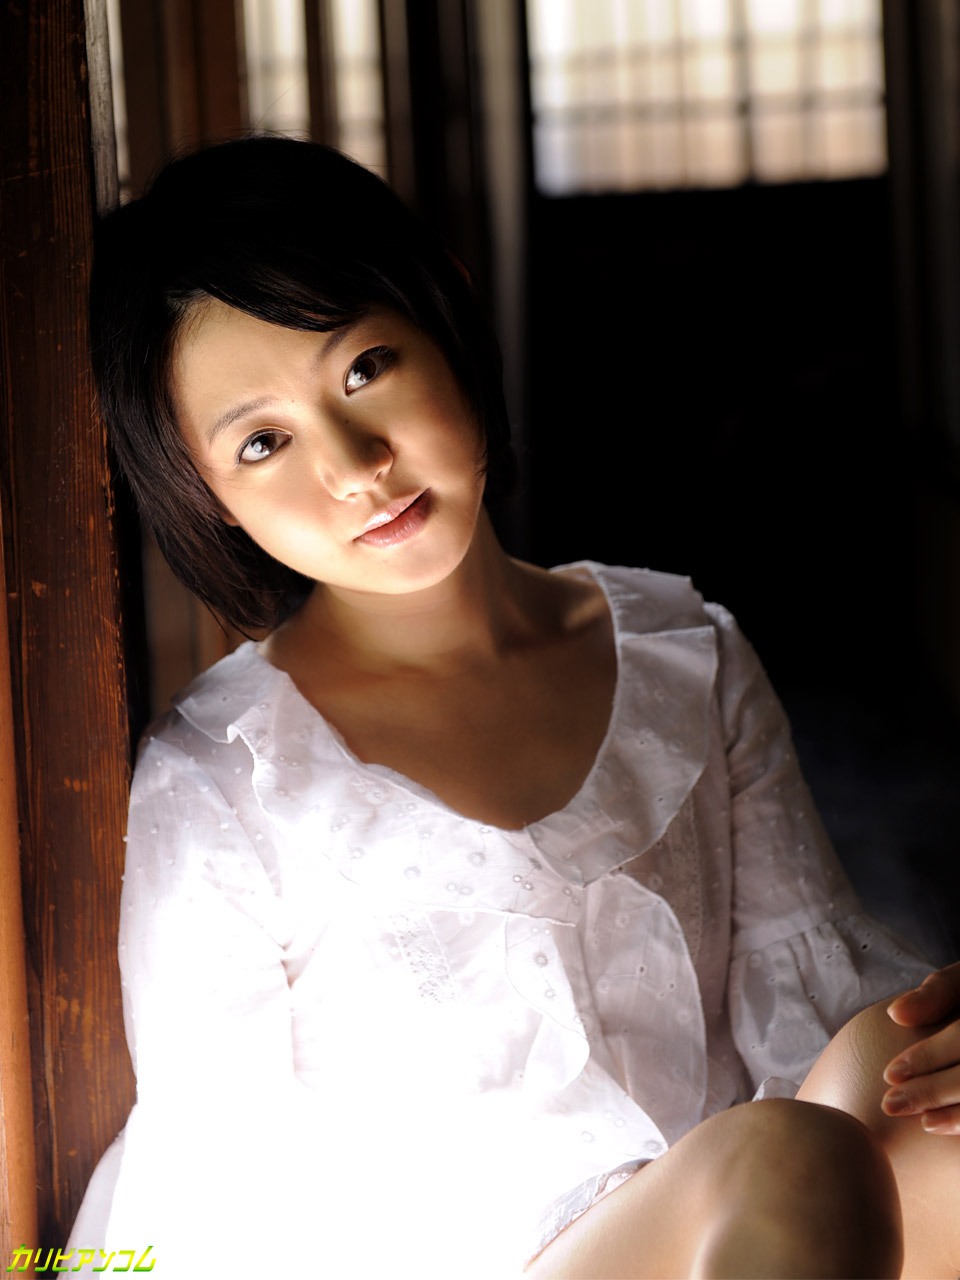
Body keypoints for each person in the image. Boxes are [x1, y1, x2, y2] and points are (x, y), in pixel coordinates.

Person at [68, 136, 960, 1279]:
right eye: (263, 441)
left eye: (364, 368)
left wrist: (927, 1036)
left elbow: (816, 1013)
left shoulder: (684, 654)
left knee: (907, 1071)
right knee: (781, 1152)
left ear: (445, 321)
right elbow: (222, 1179)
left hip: (728, 1228)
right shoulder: (223, 778)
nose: (354, 463)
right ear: (211, 500)